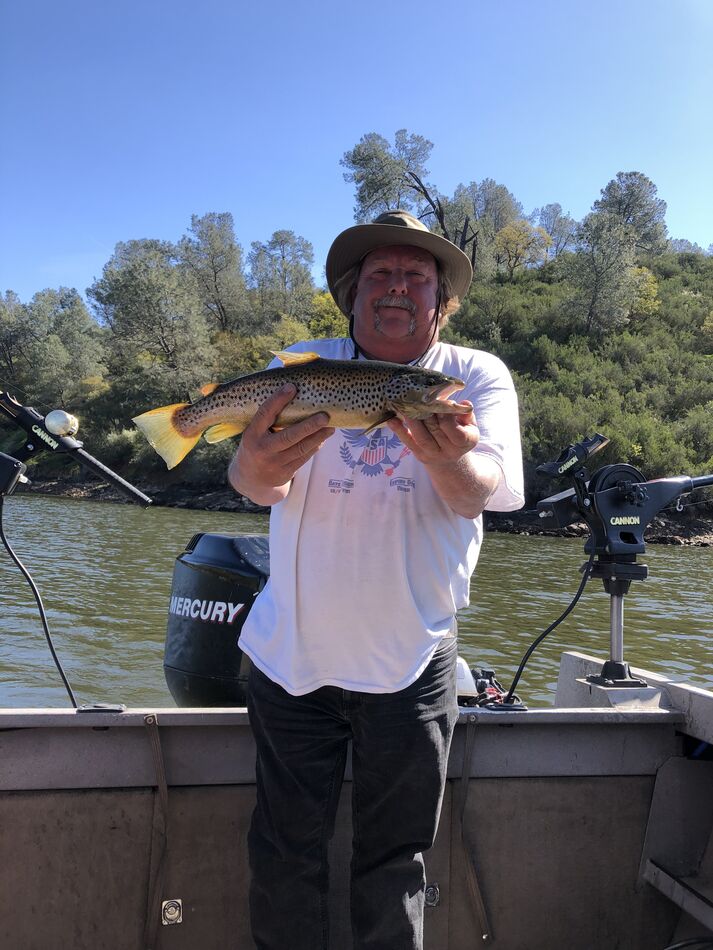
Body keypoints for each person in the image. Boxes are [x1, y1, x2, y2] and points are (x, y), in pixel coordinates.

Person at [228, 210, 524, 950]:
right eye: (381, 275)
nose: (397, 289)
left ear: (441, 302)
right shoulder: (302, 363)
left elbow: (474, 493)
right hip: (288, 656)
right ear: (352, 296)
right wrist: (257, 464)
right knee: (282, 854)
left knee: (394, 863)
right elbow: (252, 484)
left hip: (411, 661)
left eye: (415, 278)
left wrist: (445, 453)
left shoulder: (471, 377)